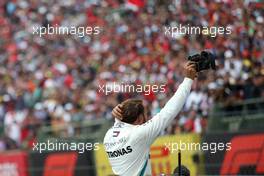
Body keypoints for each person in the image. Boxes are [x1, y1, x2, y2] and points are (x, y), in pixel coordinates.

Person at [103, 61, 197, 176]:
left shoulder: (109, 135)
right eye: (146, 114)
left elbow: (121, 123)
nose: (148, 118)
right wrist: (188, 80)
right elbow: (170, 111)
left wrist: (117, 117)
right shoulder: (139, 133)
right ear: (138, 119)